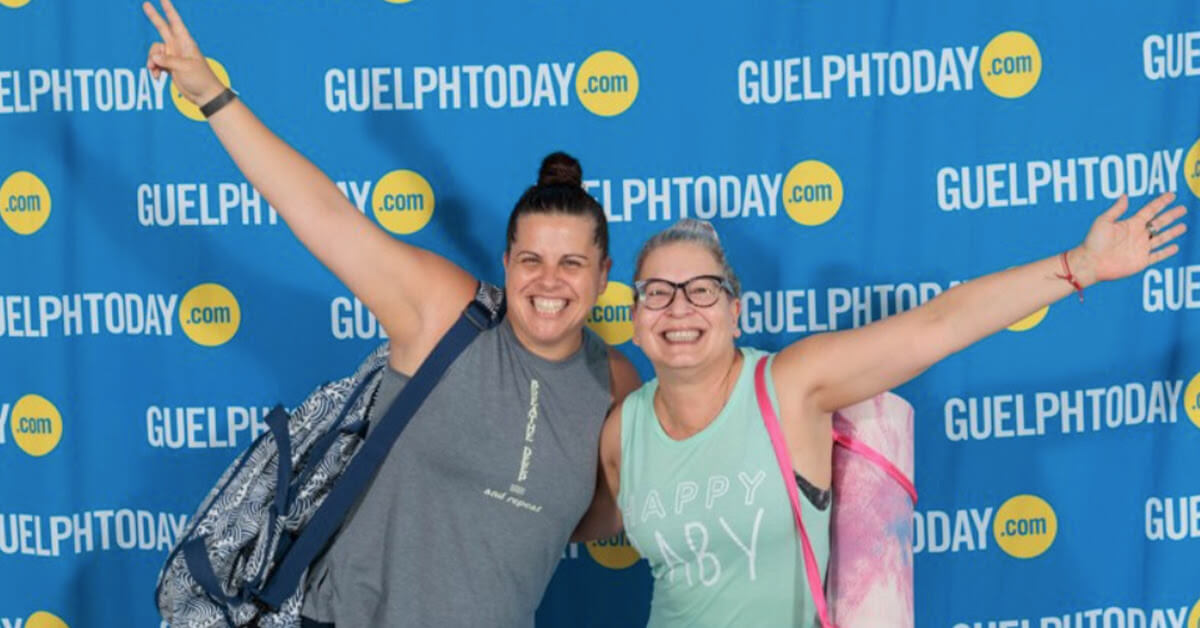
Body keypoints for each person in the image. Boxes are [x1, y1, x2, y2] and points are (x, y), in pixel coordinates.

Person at [141, 1, 640, 626]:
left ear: (604, 276)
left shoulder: (617, 382)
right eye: (531, 259)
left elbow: (608, 509)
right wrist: (213, 95)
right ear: (506, 262)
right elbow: (323, 214)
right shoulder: (444, 312)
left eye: (572, 263)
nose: (549, 282)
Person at [588, 196, 1186, 626]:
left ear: (736, 311)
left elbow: (939, 324)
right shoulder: (623, 432)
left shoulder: (790, 384)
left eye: (702, 290)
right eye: (657, 293)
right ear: (636, 320)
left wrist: (1080, 264)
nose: (679, 308)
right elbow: (562, 524)